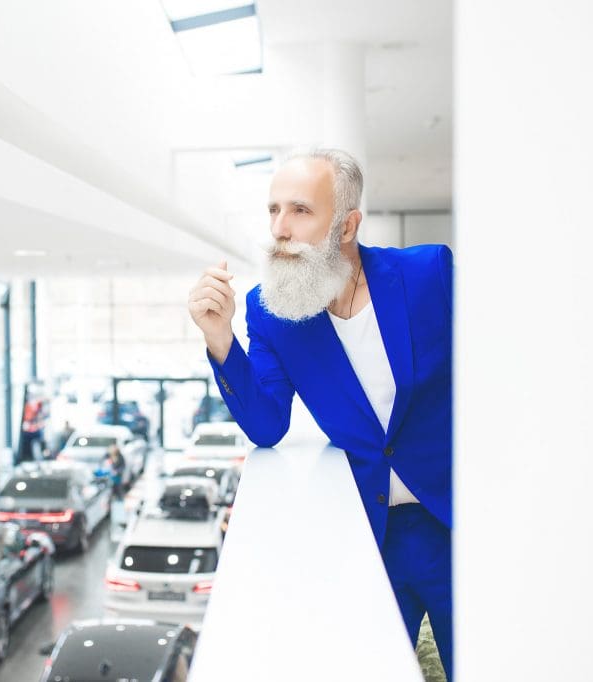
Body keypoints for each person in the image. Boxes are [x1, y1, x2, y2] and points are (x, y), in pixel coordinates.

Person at [188, 148, 453, 680]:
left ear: (348, 225)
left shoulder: (431, 274)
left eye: (300, 210)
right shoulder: (269, 312)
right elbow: (267, 425)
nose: (279, 228)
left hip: (456, 522)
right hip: (368, 533)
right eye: (272, 210)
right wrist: (221, 339)